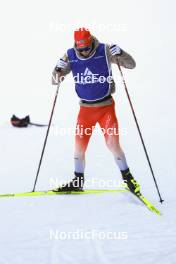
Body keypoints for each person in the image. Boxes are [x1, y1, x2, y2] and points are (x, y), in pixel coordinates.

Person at [52, 27, 140, 193]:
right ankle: (78, 182)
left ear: (91, 42)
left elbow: (131, 65)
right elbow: (55, 81)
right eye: (81, 49)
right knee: (79, 149)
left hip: (106, 107)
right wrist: (57, 69)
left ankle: (129, 180)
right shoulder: (70, 55)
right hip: (85, 110)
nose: (84, 52)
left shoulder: (104, 50)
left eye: (86, 48)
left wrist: (122, 53)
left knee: (113, 145)